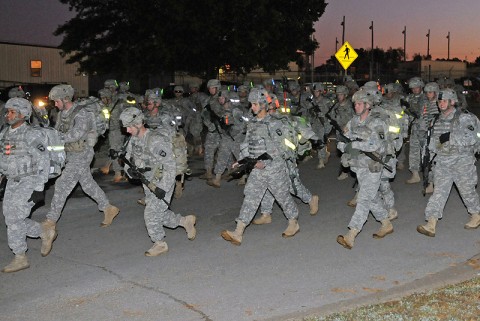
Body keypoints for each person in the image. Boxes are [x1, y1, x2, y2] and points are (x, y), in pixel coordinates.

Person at [221, 88, 300, 245]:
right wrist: (242, 160)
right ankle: (238, 232)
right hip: (257, 168)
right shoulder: (253, 123)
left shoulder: (275, 124)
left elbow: (284, 148)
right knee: (250, 197)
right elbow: (247, 144)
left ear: (264, 104)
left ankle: (293, 222)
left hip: (274, 168)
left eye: (255, 104)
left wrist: (265, 163)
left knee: (283, 197)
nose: (252, 107)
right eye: (251, 104)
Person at [42, 85, 120, 241]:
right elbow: (58, 131)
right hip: (69, 153)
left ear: (65, 99)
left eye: (56, 101)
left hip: (82, 153)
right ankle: (108, 208)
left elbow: (76, 134)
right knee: (87, 183)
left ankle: (50, 221)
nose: (55, 105)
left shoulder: (82, 113)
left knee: (62, 185)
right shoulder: (62, 113)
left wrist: (57, 139)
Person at [119, 107, 196, 256]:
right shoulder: (133, 140)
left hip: (161, 183)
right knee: (160, 214)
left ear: (138, 124)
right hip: (147, 183)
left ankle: (160, 243)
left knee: (151, 212)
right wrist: (131, 172)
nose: (127, 130)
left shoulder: (155, 140)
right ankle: (184, 221)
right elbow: (128, 160)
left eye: (129, 127)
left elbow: (170, 165)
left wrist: (163, 188)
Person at [0, 98, 56, 272]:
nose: (8, 115)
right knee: (10, 217)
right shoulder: (4, 133)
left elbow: (44, 161)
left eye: (12, 112)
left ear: (23, 115)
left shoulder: (32, 134)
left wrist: (39, 188)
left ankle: (20, 257)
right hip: (12, 181)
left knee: (15, 218)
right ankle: (43, 231)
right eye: (7, 111)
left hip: (29, 181)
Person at [417, 88, 480, 237]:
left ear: (452, 101)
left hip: (462, 162)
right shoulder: (436, 119)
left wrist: (450, 137)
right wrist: (427, 156)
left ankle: (476, 215)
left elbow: (472, 139)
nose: (441, 103)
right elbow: (432, 141)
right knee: (439, 193)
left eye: (444, 100)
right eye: (439, 101)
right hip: (443, 162)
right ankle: (431, 223)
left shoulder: (464, 118)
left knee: (467, 192)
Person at [336, 90, 393, 249]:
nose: (356, 106)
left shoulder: (377, 122)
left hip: (373, 166)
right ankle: (386, 223)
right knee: (372, 197)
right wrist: (345, 147)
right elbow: (341, 140)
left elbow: (376, 145)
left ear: (368, 105)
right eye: (355, 104)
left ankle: (351, 234)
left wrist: (353, 145)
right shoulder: (353, 122)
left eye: (359, 104)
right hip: (358, 166)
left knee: (364, 199)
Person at [405, 77, 428, 184]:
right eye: (412, 88)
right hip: (414, 128)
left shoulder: (427, 97)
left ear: (421, 86)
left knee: (426, 152)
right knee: (413, 151)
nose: (414, 90)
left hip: (425, 129)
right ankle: (415, 174)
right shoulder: (409, 99)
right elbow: (405, 114)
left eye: (416, 87)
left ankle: (429, 177)